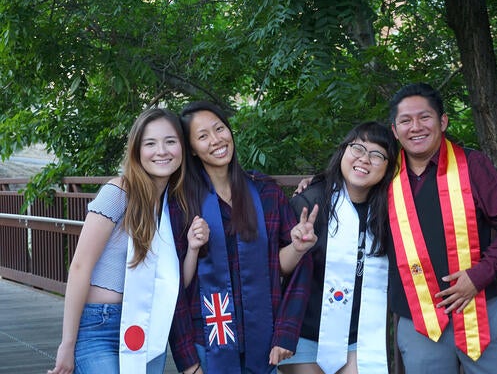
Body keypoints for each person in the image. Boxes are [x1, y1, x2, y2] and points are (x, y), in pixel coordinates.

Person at [387, 83, 497, 373]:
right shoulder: (384, 175)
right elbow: (347, 177)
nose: (415, 127)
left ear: (443, 121)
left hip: (481, 310)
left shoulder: (472, 165)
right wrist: (312, 185)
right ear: (394, 130)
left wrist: (480, 275)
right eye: (405, 120)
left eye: (424, 117)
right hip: (419, 322)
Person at [168, 101, 318, 374]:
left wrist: (297, 249)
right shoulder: (181, 204)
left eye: (220, 128)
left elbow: (288, 266)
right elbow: (172, 285)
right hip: (206, 344)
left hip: (263, 343)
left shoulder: (266, 193)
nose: (216, 140)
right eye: (203, 136)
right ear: (191, 148)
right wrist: (188, 363)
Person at [48, 108, 200, 374]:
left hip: (147, 327)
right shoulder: (118, 192)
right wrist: (67, 344)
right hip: (100, 325)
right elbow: (80, 266)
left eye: (170, 141)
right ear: (137, 151)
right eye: (150, 143)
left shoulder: (175, 206)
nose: (161, 151)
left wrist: (193, 248)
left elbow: (176, 284)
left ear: (183, 148)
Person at [278, 122, 399, 374]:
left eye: (377, 154)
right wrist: (298, 248)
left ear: (389, 167)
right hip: (305, 335)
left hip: (360, 337)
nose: (365, 159)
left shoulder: (392, 212)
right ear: (343, 151)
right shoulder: (310, 202)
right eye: (358, 148)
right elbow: (277, 267)